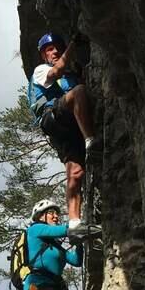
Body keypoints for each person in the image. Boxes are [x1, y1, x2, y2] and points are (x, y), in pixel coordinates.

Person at [27, 33, 99, 223]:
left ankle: (74, 222)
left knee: (75, 172)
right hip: (51, 117)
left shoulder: (72, 76)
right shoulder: (41, 70)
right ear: (44, 55)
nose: (55, 51)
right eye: (50, 49)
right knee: (79, 92)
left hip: (71, 125)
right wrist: (73, 44)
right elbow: (56, 72)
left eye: (58, 47)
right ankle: (91, 140)